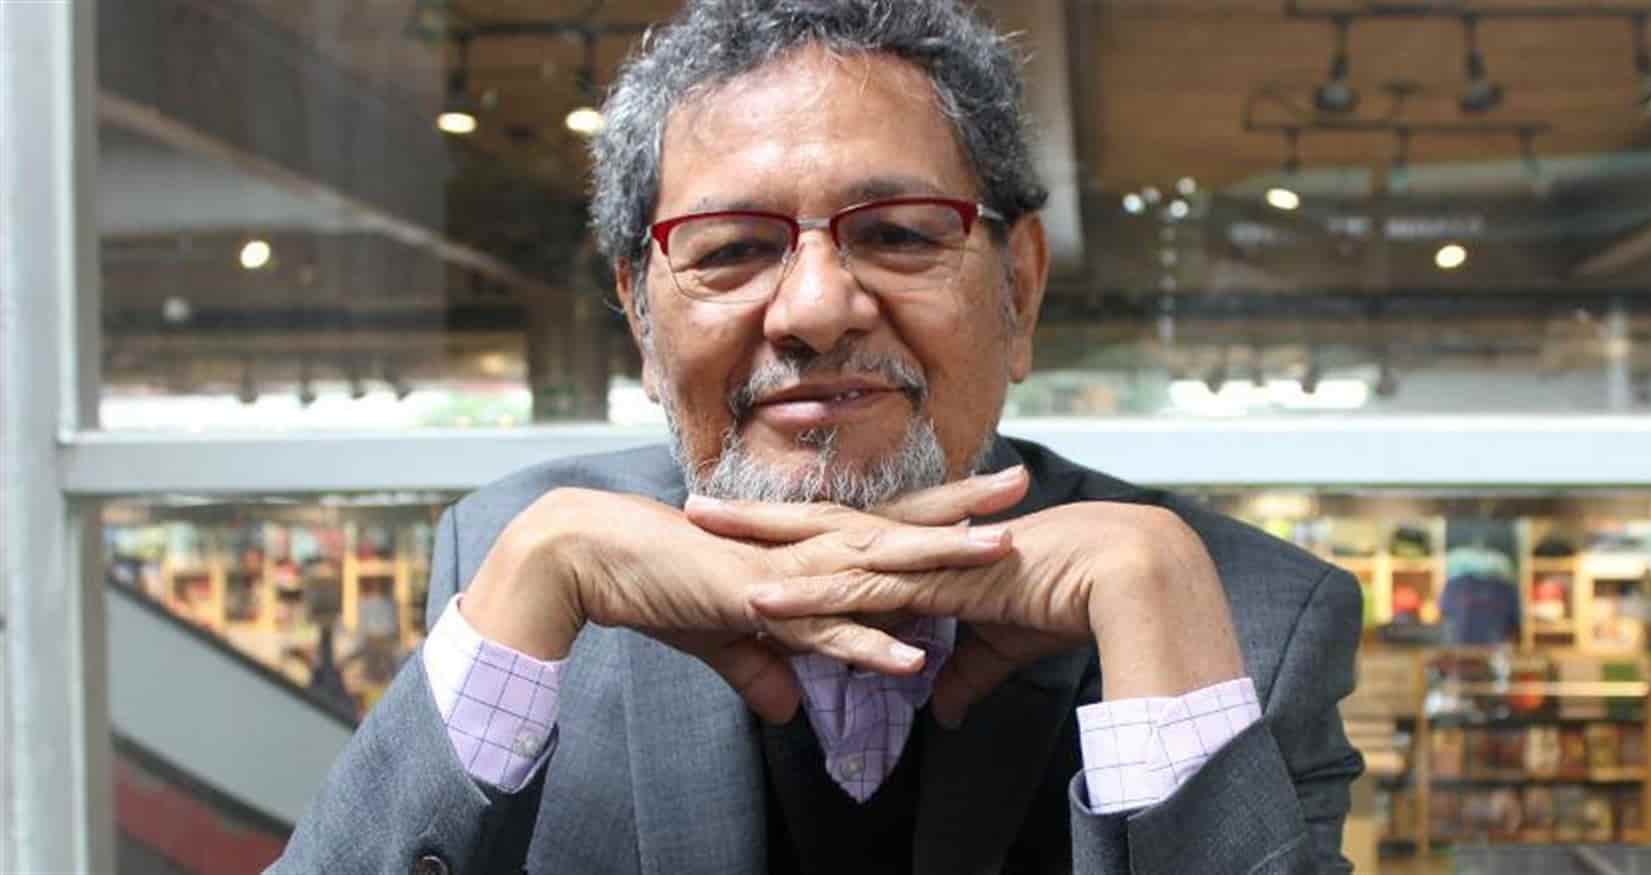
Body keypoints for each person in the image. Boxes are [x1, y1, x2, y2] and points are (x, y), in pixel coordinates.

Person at [272, 1, 1362, 872]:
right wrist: (536, 572)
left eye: (898, 234)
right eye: (731, 248)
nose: (814, 309)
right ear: (642, 319)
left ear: (1019, 291)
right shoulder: (515, 561)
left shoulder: (1246, 615)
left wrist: (1155, 619)